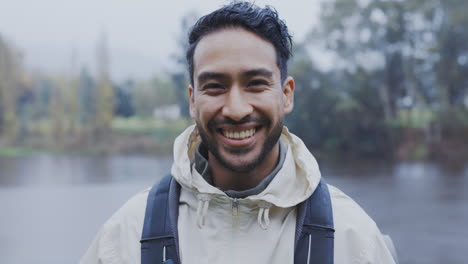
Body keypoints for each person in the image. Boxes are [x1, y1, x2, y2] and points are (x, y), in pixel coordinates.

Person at [81, 2, 397, 263]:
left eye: (255, 84)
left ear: (286, 94)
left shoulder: (354, 240)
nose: (235, 109)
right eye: (215, 87)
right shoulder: (124, 239)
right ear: (193, 100)